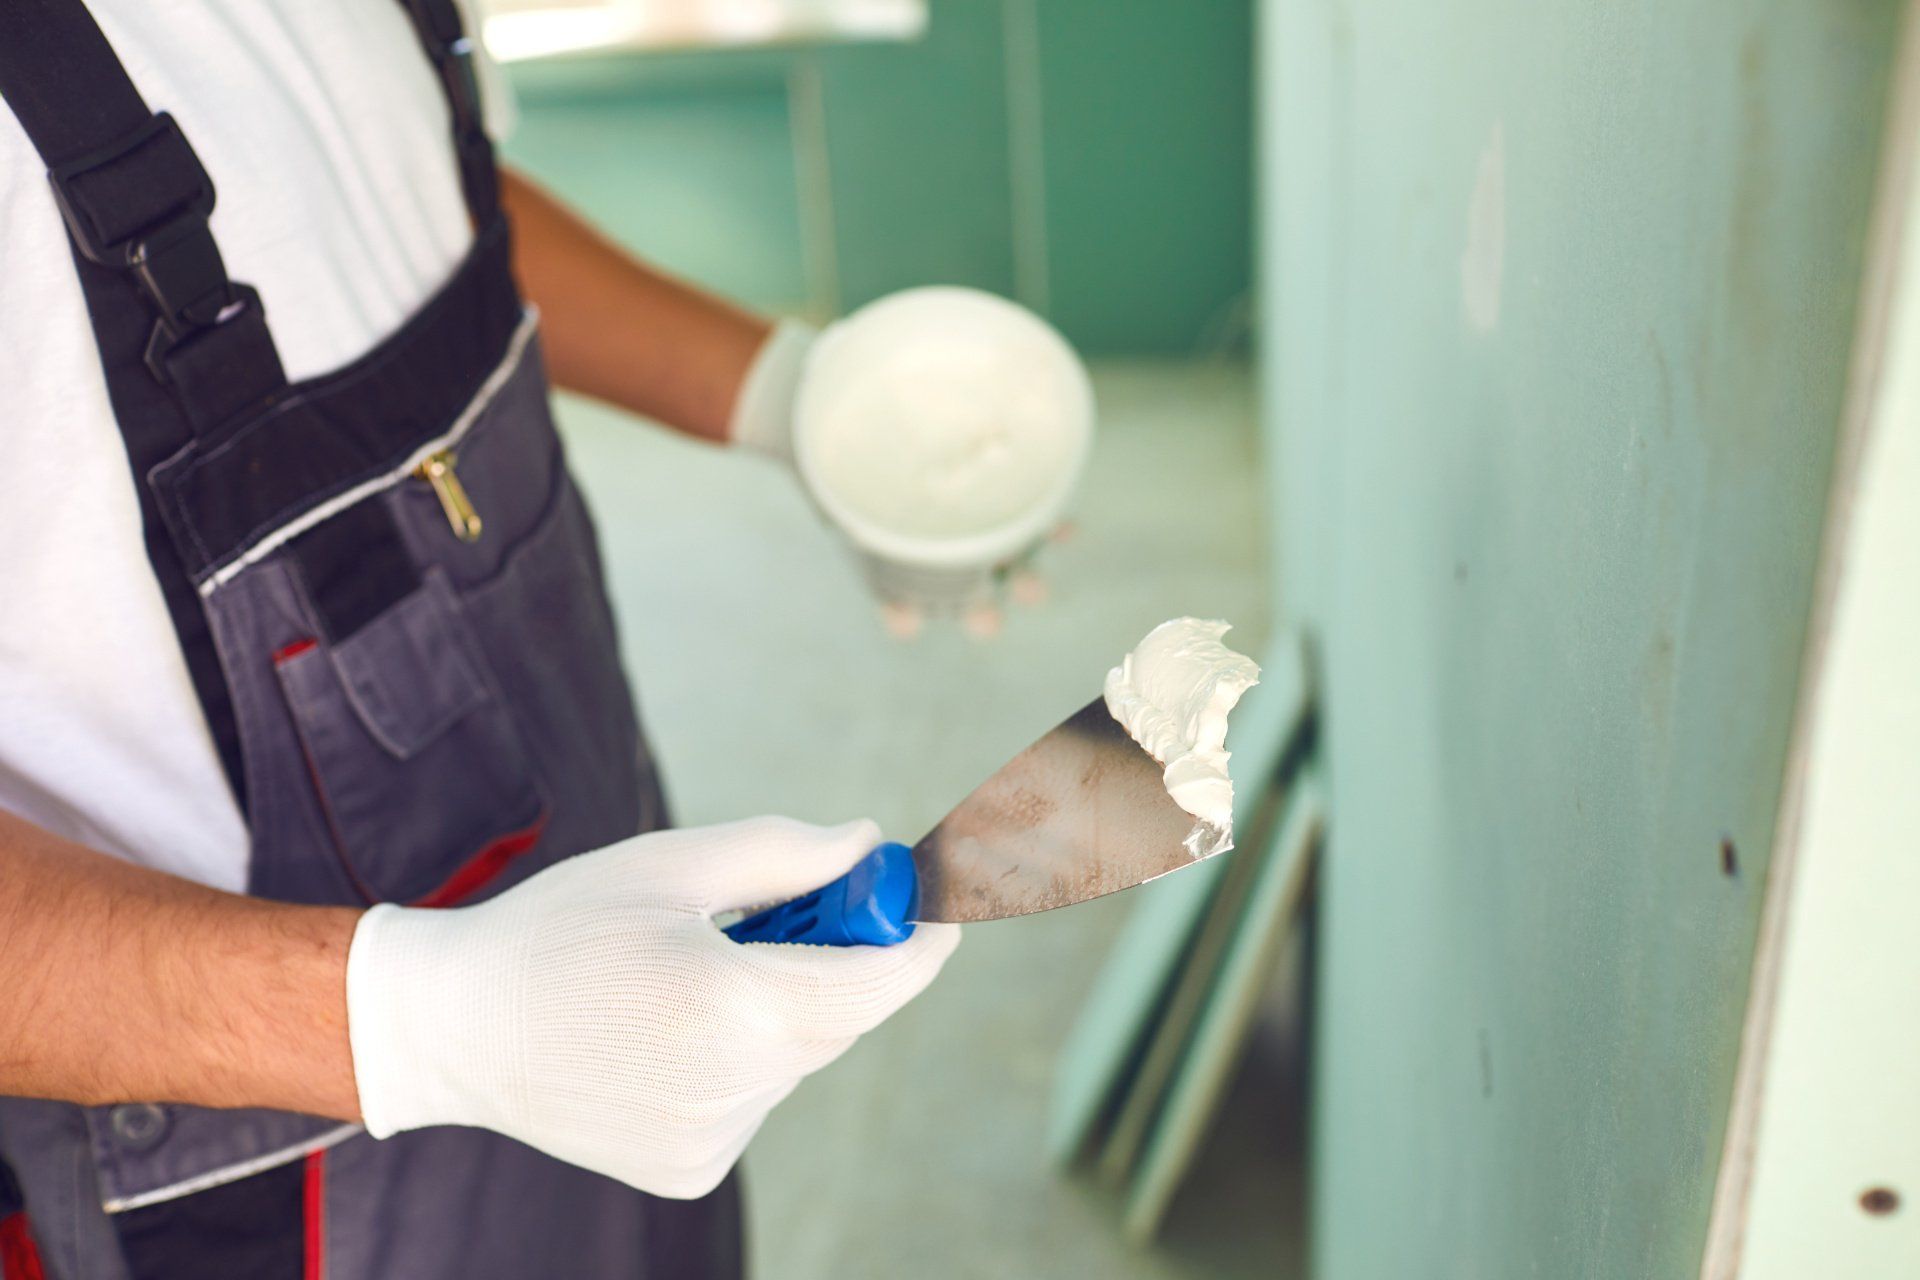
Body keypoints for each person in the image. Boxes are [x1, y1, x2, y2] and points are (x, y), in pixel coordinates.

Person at [0, 1, 960, 1276]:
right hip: (267, 1185)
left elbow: (401, 213)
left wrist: (785, 393)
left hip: (606, 1012)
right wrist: (426, 1021)